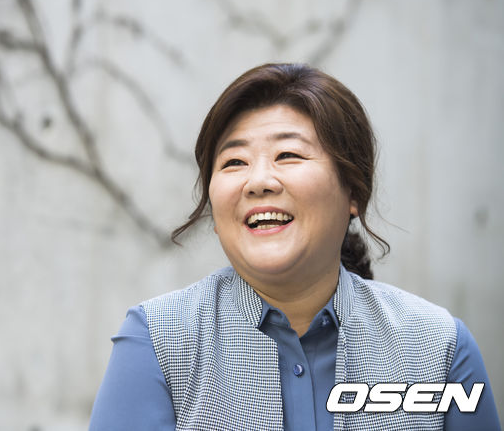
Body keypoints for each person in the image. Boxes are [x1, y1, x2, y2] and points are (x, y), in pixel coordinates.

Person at [88, 63, 500, 430]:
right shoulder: (159, 341)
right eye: (234, 162)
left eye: (288, 155)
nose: (258, 181)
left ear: (353, 192)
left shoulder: (439, 347)